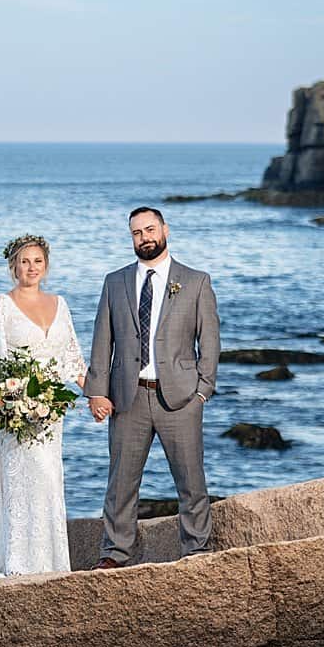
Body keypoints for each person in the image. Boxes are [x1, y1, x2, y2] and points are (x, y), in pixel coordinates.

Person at [84, 207, 220, 569]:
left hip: (180, 398)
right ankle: (115, 553)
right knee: (121, 483)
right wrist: (97, 390)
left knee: (191, 481)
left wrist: (203, 390)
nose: (144, 237)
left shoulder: (195, 281)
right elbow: (102, 339)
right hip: (127, 397)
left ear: (165, 230)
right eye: (136, 233)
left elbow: (210, 340)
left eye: (149, 229)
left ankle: (196, 550)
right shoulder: (115, 282)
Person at [0, 234, 87, 586]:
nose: (31, 267)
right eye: (24, 261)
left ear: (46, 266)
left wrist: (100, 395)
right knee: (19, 483)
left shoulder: (60, 303)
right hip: (15, 414)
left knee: (49, 480)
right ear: (13, 266)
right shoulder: (0, 305)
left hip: (51, 413)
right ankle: (16, 561)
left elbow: (73, 361)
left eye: (37, 261)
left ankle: (49, 562)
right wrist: (3, 399)